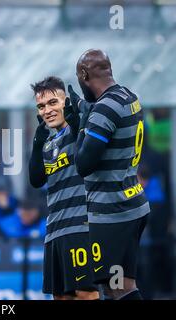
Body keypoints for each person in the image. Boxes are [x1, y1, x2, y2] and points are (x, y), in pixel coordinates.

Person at [70, 49, 150, 300]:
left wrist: (82, 121)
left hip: (112, 212)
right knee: (124, 284)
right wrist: (87, 109)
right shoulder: (129, 96)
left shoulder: (104, 110)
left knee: (115, 288)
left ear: (84, 74)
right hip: (133, 203)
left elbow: (83, 164)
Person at [29, 76, 98, 300]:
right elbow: (36, 180)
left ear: (65, 102)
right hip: (55, 231)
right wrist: (37, 145)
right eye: (41, 106)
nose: (46, 110)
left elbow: (89, 154)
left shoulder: (82, 130)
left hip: (81, 226)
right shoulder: (48, 143)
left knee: (86, 294)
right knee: (61, 297)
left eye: (52, 103)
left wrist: (78, 123)